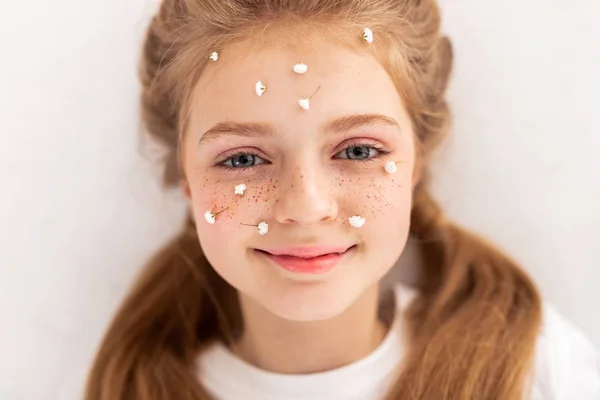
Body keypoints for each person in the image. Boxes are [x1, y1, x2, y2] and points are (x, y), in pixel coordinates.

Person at [84, 0, 600, 399]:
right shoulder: (113, 388)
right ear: (186, 178)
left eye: (357, 149)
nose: (307, 207)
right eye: (242, 159)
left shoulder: (538, 372)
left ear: (417, 161)